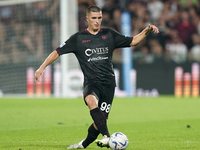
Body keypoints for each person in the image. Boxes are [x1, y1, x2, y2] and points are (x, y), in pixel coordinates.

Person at [35, 5, 159, 149]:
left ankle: (83, 145)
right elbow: (57, 52)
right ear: (87, 19)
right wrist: (42, 67)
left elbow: (133, 41)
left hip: (109, 84)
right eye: (94, 18)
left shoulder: (109, 34)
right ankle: (107, 136)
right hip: (91, 83)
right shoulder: (78, 38)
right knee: (91, 102)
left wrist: (147, 30)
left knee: (99, 121)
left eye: (99, 18)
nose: (97, 21)